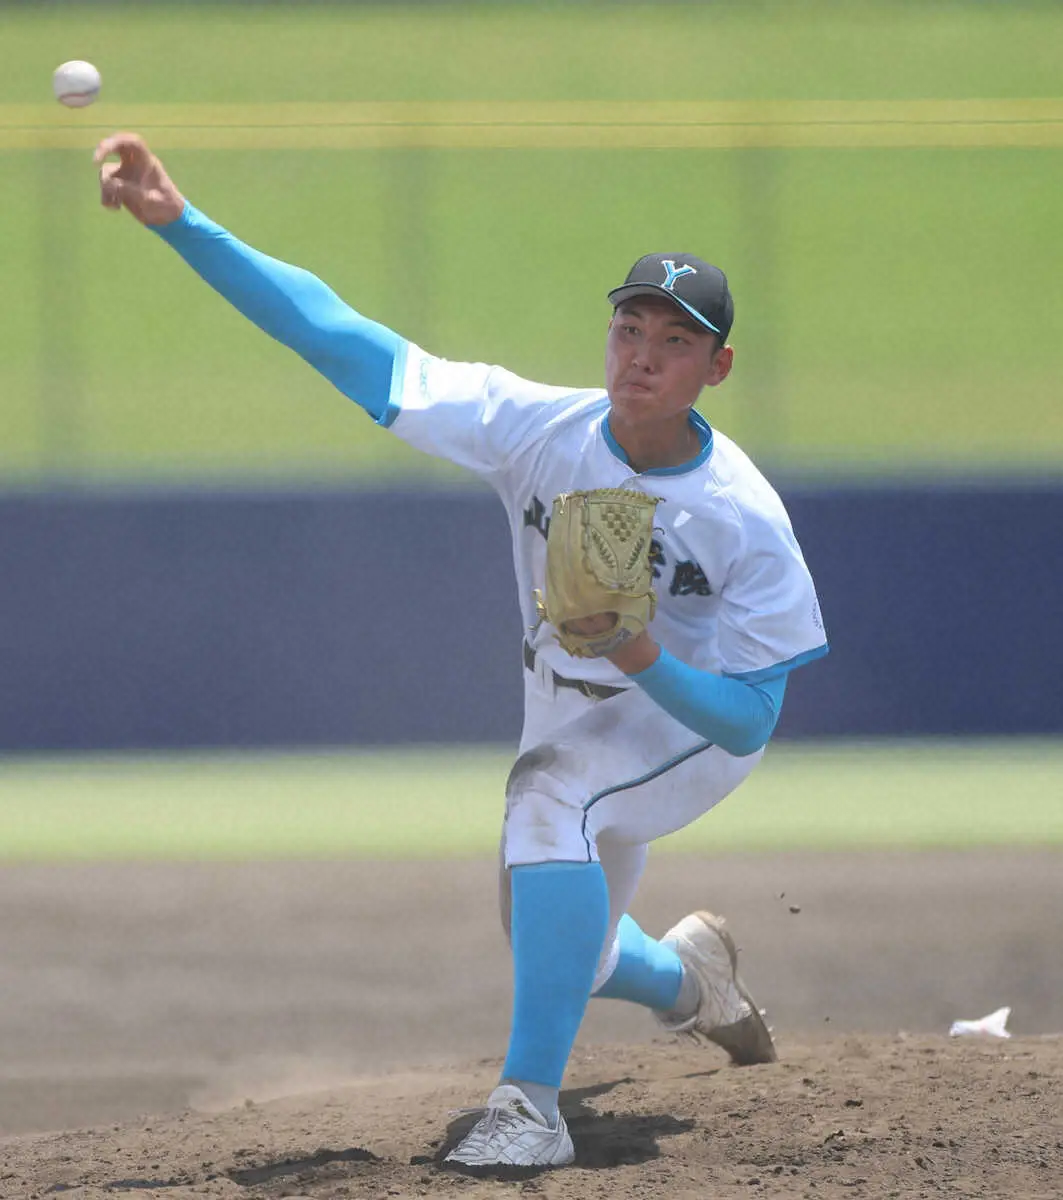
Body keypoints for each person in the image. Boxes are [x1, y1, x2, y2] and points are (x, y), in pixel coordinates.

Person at [95, 132, 829, 1175]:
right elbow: (342, 338)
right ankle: (691, 980)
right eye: (630, 326)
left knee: (547, 802)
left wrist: (638, 655)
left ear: (717, 366)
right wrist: (182, 224)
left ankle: (529, 1108)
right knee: (550, 934)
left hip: (687, 722)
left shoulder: (740, 516)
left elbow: (752, 715)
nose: (643, 353)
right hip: (572, 709)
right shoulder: (537, 429)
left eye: (676, 340)